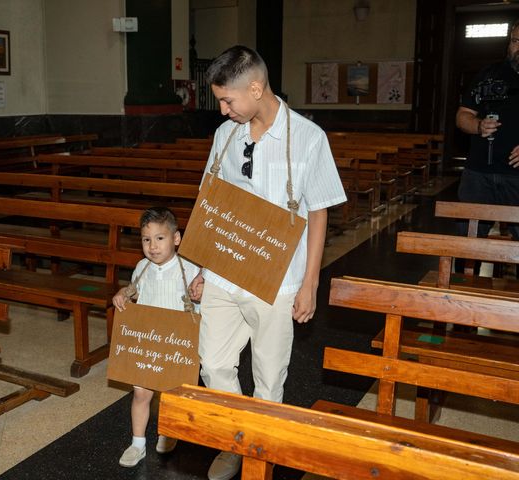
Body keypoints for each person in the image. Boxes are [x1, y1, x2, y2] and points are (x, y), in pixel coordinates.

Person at [188, 45, 346, 480]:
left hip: (278, 278)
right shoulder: (226, 136)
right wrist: (201, 265)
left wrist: (310, 282)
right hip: (223, 270)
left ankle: (258, 448)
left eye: (228, 100)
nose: (222, 111)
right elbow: (211, 201)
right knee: (214, 363)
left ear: (256, 88)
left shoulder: (308, 137)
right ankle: (238, 438)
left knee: (268, 375)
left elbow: (319, 211)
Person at [112, 207, 200, 468]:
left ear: (176, 238)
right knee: (141, 393)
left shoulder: (189, 268)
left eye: (160, 238)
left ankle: (168, 432)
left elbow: (200, 303)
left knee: (172, 394)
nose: (152, 246)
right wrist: (122, 294)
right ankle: (137, 443)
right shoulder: (142, 267)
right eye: (146, 239)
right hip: (148, 343)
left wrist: (200, 298)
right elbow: (134, 291)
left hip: (176, 344)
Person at [455, 19, 519, 245]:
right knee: (468, 243)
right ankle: (463, 279)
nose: (517, 47)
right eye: (514, 41)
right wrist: (478, 125)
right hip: (478, 175)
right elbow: (462, 116)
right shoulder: (489, 74)